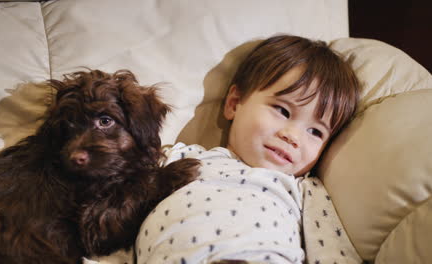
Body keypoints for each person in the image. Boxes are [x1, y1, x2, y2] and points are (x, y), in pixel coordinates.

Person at [135, 35, 361, 264]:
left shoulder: (304, 192)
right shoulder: (182, 157)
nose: (293, 137)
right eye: (282, 111)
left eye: (315, 132)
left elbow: (333, 252)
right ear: (234, 103)